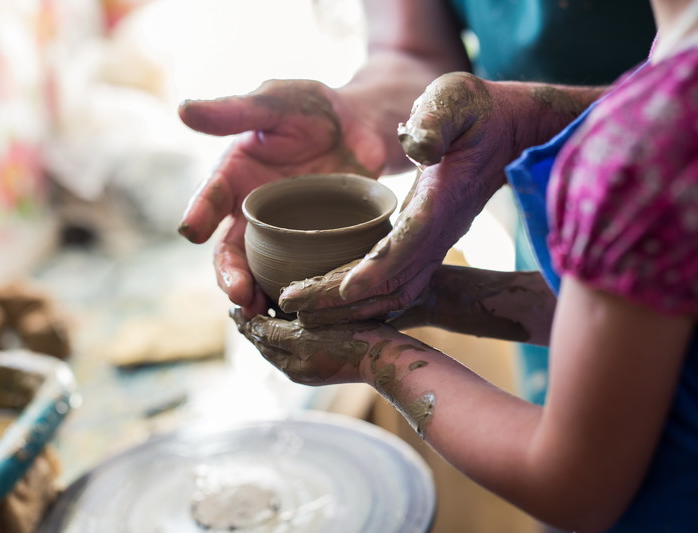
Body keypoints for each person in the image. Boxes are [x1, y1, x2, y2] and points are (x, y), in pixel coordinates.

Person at [231, 0, 698, 530]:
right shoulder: (670, 79)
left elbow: (575, 485)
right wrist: (439, 296)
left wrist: (373, 356)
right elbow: (650, 321)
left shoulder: (642, 147)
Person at [177, 0, 655, 412]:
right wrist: (362, 116)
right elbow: (413, 51)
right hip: (558, 262)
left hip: (662, 221)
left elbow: (571, 481)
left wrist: (533, 123)